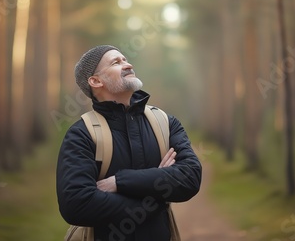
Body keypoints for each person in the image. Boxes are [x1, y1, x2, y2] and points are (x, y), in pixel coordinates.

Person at [56, 45, 202, 241]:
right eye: (116, 62)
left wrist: (119, 182)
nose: (128, 64)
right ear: (95, 81)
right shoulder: (82, 134)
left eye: (125, 59)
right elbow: (77, 205)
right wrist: (156, 199)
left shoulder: (165, 123)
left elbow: (190, 178)